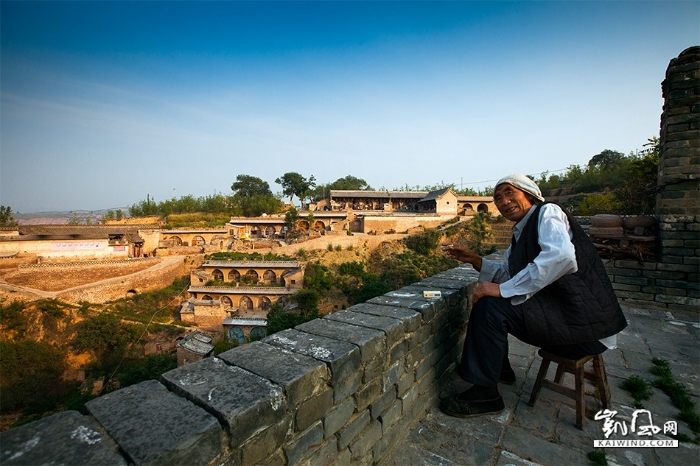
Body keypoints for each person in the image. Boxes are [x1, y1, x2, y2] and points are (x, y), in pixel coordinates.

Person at [440, 174, 627, 418]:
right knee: (493, 302)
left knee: (489, 307)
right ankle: (499, 370)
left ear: (529, 194)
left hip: (585, 329)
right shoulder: (521, 234)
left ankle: (486, 393)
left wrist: (500, 290)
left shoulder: (548, 213)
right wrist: (476, 260)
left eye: (510, 193)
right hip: (567, 320)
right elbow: (510, 273)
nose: (504, 201)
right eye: (498, 198)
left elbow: (561, 258)